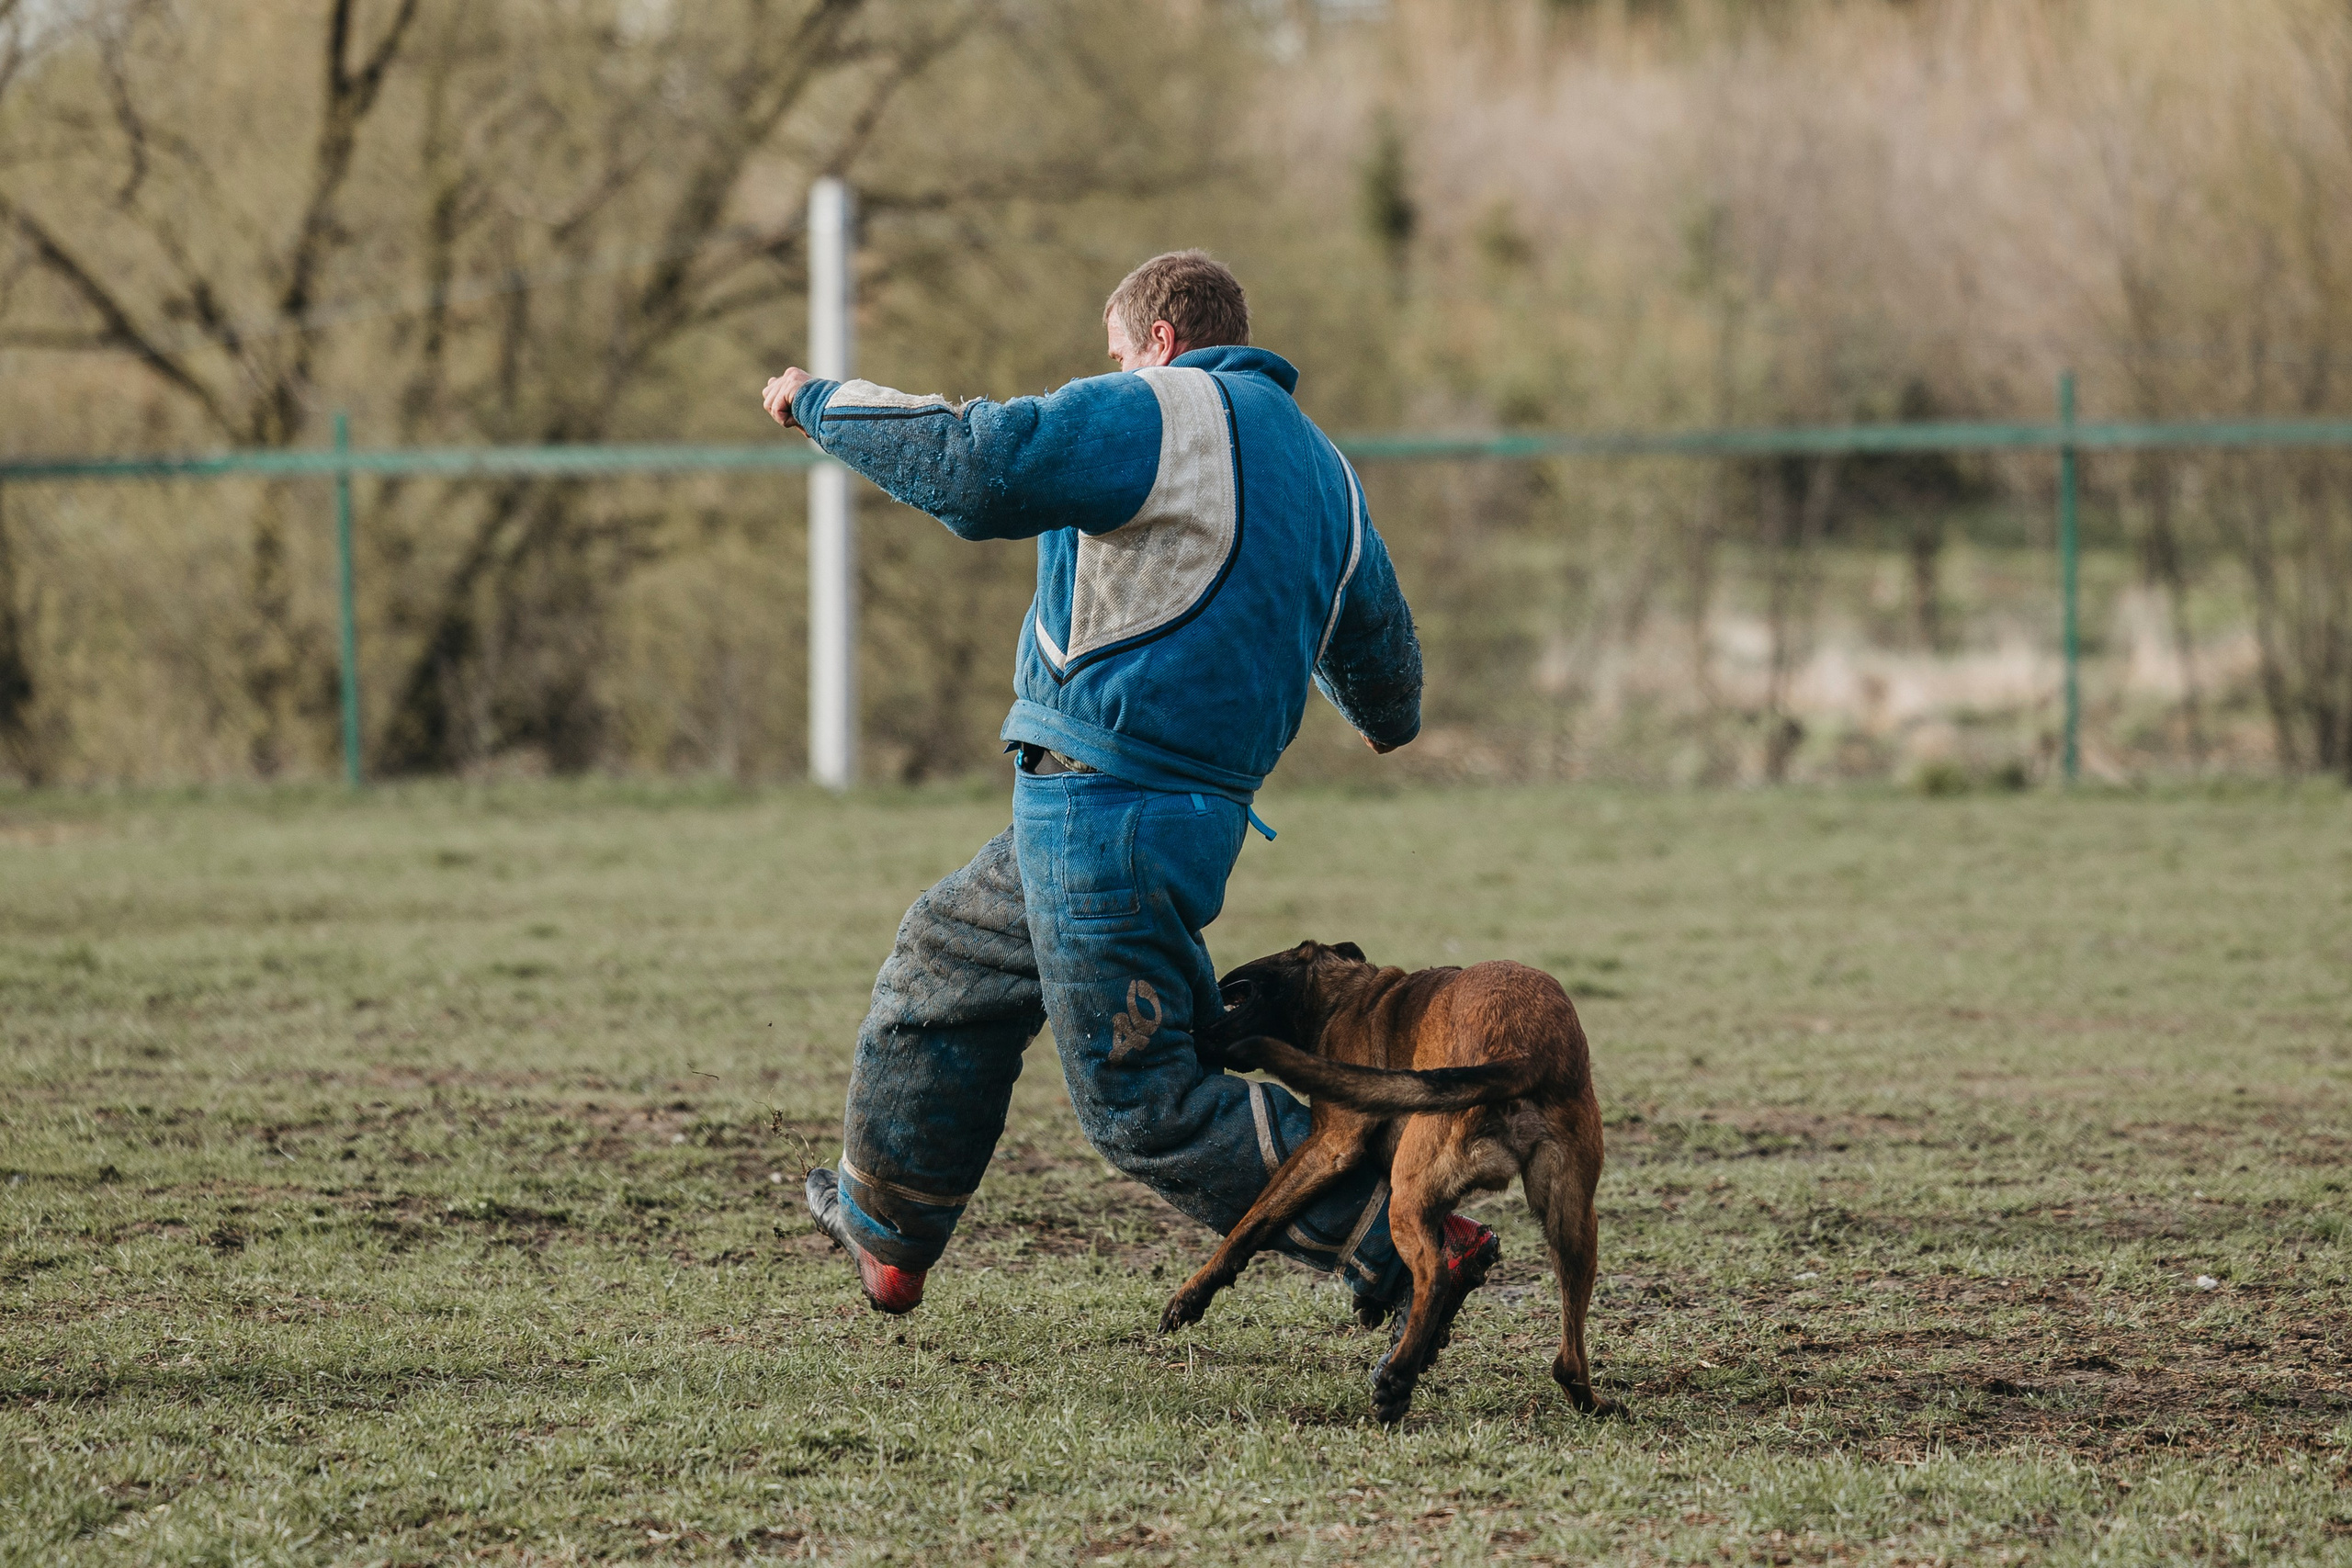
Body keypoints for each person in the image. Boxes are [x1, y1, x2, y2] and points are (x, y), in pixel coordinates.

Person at [760, 249, 1496, 1333]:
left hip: (1105, 802)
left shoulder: (1162, 412)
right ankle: (888, 1232)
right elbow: (1386, 676)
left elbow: (977, 469)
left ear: (1157, 340)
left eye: (1111, 353)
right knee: (948, 964)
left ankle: (1407, 1232)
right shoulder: (1328, 473)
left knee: (1141, 1103)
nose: (1104, 371)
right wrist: (1328, 688)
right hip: (1171, 814)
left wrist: (819, 402)